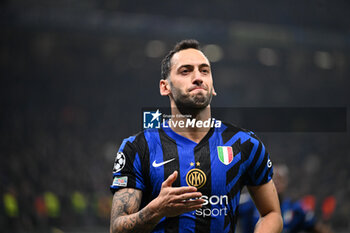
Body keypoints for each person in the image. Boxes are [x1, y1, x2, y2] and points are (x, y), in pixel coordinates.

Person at [109, 39, 283, 233]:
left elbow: (271, 213)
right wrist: (155, 210)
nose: (198, 77)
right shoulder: (137, 148)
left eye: (204, 70)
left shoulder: (245, 144)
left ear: (212, 86)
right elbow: (117, 228)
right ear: (164, 87)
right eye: (186, 71)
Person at [238, 164, 333, 233]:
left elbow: (317, 227)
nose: (277, 182)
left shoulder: (296, 209)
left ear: (286, 182)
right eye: (273, 179)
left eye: (280, 179)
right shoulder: (250, 203)